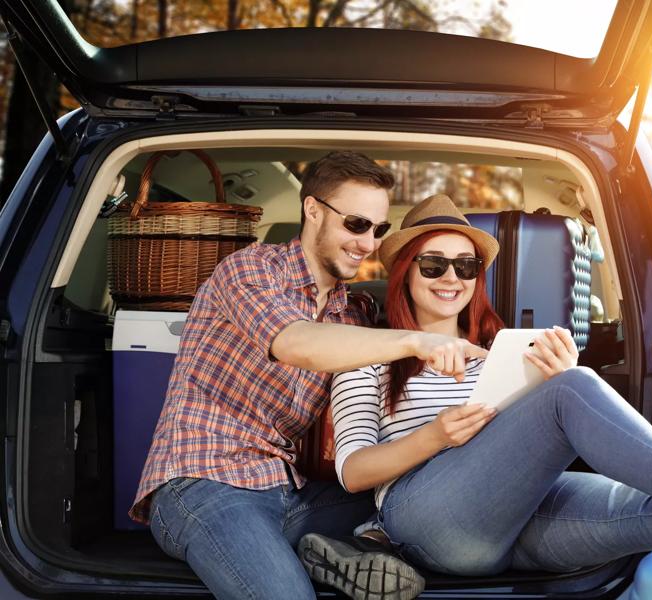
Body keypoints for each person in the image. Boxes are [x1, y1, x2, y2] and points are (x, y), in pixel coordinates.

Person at [304, 194, 652, 581]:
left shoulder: (508, 352)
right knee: (577, 388)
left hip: (519, 517)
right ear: (402, 270)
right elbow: (355, 470)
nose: (452, 277)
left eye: (466, 265)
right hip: (426, 518)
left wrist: (551, 381)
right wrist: (437, 436)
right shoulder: (373, 356)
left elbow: (530, 446)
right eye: (432, 264)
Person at [130, 153, 478, 600]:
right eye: (356, 224)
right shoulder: (250, 270)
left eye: (379, 229)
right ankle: (331, 557)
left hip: (293, 495)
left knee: (417, 507)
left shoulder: (355, 313)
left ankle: (345, 549)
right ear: (313, 210)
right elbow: (295, 343)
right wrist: (414, 342)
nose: (369, 243)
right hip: (205, 483)